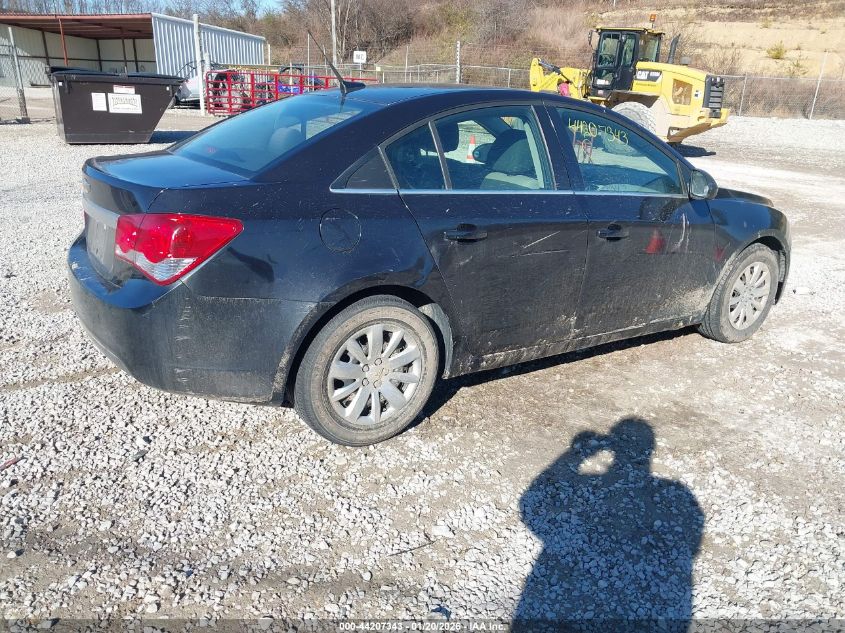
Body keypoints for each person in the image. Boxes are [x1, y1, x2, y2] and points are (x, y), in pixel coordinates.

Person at [514, 417, 704, 631]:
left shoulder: (591, 488)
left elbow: (532, 506)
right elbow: (691, 545)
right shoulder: (677, 494)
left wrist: (576, 454)